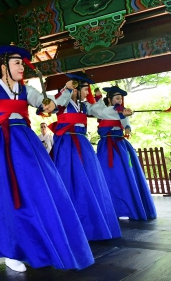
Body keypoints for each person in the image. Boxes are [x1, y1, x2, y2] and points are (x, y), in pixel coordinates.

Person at [0, 44, 94, 272]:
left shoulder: (26, 90)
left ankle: (44, 242)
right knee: (5, 194)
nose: (22, 67)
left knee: (40, 189)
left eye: (23, 63)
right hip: (0, 144)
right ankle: (11, 250)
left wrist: (52, 102)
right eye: (17, 63)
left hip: (26, 142)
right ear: (4, 67)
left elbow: (45, 103)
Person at [50, 72, 121, 240]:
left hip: (82, 143)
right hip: (67, 143)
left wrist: (120, 112)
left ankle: (92, 221)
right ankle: (69, 223)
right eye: (84, 89)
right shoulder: (63, 101)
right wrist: (67, 89)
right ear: (75, 88)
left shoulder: (84, 106)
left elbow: (101, 112)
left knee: (90, 179)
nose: (86, 92)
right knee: (68, 178)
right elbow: (54, 103)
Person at [97, 86, 157, 220]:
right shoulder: (103, 111)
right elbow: (97, 109)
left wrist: (127, 128)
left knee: (122, 174)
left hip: (118, 146)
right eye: (117, 98)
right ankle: (109, 210)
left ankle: (129, 207)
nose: (119, 100)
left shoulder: (121, 111)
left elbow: (125, 122)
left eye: (121, 98)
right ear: (109, 99)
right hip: (105, 147)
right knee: (104, 176)